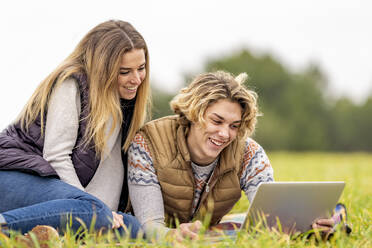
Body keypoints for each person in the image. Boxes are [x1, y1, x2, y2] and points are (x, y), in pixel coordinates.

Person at [127, 71, 340, 241]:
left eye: (234, 126)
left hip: (207, 233)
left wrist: (309, 228)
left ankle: (336, 216)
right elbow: (149, 224)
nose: (225, 134)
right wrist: (172, 236)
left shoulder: (249, 154)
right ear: (194, 113)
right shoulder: (149, 143)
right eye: (217, 121)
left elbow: (272, 220)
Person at [0, 19, 151, 239]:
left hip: (70, 199)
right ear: (103, 69)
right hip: (13, 178)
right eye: (125, 71)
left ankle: (28, 237)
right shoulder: (71, 83)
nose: (136, 79)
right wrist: (97, 210)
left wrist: (106, 217)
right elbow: (56, 156)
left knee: (131, 228)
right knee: (95, 212)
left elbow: (110, 176)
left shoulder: (123, 103)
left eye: (141, 68)